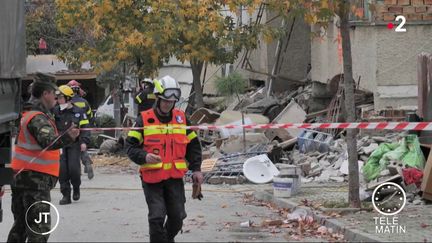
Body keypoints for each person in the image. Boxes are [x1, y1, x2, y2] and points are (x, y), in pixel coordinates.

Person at [125, 75, 203, 242]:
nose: (168, 105)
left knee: (177, 217)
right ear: (158, 99)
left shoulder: (181, 119)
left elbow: (193, 145)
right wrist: (144, 155)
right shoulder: (144, 119)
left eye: (172, 102)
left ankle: (166, 239)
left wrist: (196, 169)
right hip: (152, 179)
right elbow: (130, 147)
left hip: (174, 178)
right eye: (165, 101)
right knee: (156, 217)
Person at [7, 72, 80, 242]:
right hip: (35, 183)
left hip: (21, 179)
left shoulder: (27, 114)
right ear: (45, 94)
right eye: (54, 95)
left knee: (20, 226)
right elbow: (48, 141)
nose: (56, 99)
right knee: (39, 230)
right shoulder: (37, 118)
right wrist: (69, 136)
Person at [53, 85, 91, 205]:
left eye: (60, 97)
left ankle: (76, 188)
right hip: (60, 145)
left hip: (74, 144)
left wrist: (84, 141)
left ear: (68, 98)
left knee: (74, 169)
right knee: (62, 171)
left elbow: (85, 128)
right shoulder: (55, 111)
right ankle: (66, 195)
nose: (58, 100)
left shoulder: (78, 112)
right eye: (57, 98)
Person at [66, 80, 94, 179]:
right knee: (83, 146)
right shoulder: (84, 102)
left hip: (72, 129)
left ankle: (76, 170)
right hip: (84, 127)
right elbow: (90, 115)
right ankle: (87, 163)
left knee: (73, 150)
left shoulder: (69, 102)